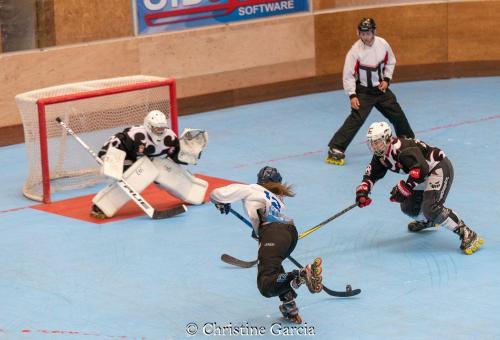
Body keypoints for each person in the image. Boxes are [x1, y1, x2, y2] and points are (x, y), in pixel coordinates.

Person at [210, 166, 323, 323]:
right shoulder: (276, 199)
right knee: (274, 269)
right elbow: (264, 221)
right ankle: (289, 303)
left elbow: (216, 194)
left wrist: (222, 202)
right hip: (290, 234)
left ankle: (300, 274)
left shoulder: (252, 189)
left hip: (273, 233)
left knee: (265, 285)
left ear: (259, 180)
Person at [355, 121, 484, 255]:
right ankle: (428, 222)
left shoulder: (401, 149)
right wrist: (363, 191)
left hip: (437, 168)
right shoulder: (380, 155)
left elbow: (421, 169)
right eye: (372, 142)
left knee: (431, 208)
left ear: (387, 138)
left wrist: (406, 188)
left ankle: (466, 232)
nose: (374, 146)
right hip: (421, 174)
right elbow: (370, 175)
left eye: (378, 142)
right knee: (408, 207)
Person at [326, 18, 415, 166]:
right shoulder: (355, 51)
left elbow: (391, 61)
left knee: (397, 113)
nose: (365, 37)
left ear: (374, 32)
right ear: (358, 33)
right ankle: (336, 148)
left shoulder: (383, 44)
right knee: (356, 119)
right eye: (362, 33)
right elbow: (348, 75)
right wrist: (352, 95)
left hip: (381, 90)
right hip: (363, 92)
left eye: (368, 33)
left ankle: (407, 140)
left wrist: (386, 79)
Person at [90, 110, 209, 219]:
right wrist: (107, 155)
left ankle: (194, 193)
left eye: (162, 128)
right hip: (129, 160)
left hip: (151, 161)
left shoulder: (169, 137)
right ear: (148, 125)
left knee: (164, 171)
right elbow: (116, 140)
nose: (160, 131)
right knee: (138, 177)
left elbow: (175, 156)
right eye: (156, 128)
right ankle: (101, 206)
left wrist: (187, 153)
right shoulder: (135, 135)